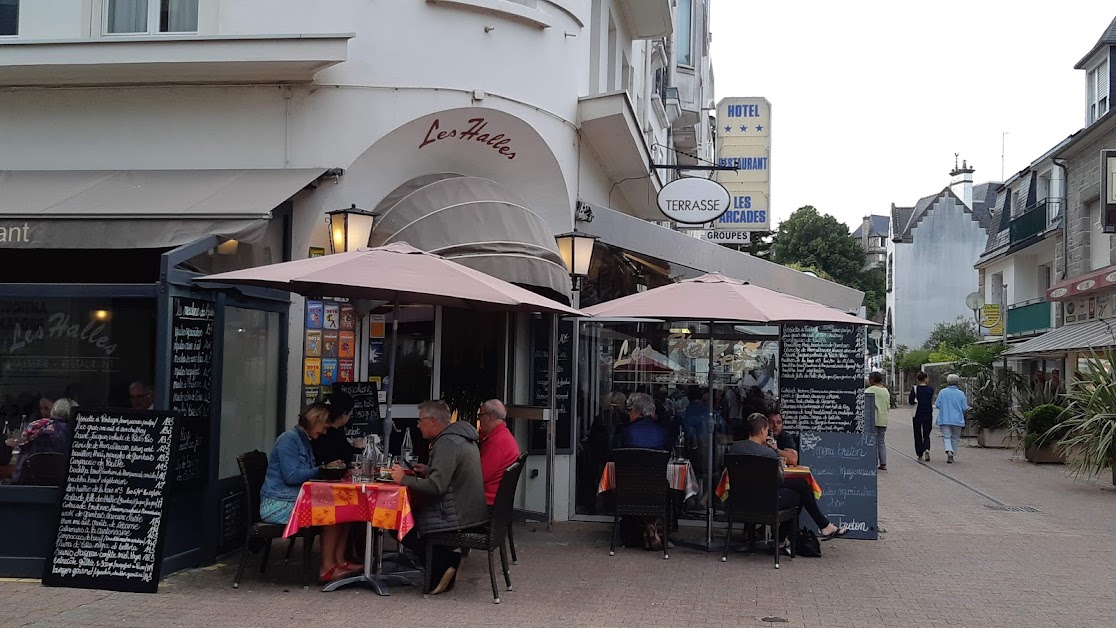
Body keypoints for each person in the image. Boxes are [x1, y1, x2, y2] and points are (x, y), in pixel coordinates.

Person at [391, 400, 487, 595]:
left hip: (456, 517)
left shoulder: (446, 444)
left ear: (433, 420)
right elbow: (451, 475)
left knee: (397, 521)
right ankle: (441, 563)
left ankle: (441, 561)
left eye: (420, 421)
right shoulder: (460, 437)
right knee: (407, 516)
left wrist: (403, 479)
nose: (418, 425)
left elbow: (436, 487)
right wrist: (429, 470)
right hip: (469, 511)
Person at [260, 403, 357, 583]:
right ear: (316, 420)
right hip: (277, 505)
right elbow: (292, 476)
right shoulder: (288, 440)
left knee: (346, 510)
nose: (325, 432)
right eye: (325, 427)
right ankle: (327, 568)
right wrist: (322, 469)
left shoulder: (303, 440)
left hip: (292, 500)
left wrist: (326, 470)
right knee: (332, 512)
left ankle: (339, 562)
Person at [730, 413, 847, 547]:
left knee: (801, 486)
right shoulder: (768, 454)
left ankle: (782, 538)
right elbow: (778, 480)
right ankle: (782, 539)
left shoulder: (735, 448)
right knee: (800, 494)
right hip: (766, 503)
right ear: (762, 430)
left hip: (740, 501)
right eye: (767, 429)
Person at [12, 398, 78, 485]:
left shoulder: (36, 425)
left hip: (29, 480)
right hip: (62, 483)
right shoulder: (75, 431)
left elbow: (23, 446)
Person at [477, 399, 519, 507]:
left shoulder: (496, 442)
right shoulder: (503, 435)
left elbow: (479, 476)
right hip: (497, 500)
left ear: (491, 417)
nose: (479, 419)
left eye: (480, 415)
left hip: (486, 500)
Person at [311, 391, 366, 467]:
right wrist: (358, 447)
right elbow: (349, 456)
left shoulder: (324, 432)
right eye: (350, 414)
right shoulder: (334, 434)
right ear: (344, 414)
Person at [935, 374, 970, 464]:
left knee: (946, 437)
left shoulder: (942, 392)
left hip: (944, 418)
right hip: (957, 419)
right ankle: (952, 454)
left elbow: (938, 404)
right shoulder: (961, 393)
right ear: (957, 382)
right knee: (955, 438)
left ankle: (948, 450)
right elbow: (964, 407)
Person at [866, 372, 890, 470]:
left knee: (873, 442)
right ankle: (883, 463)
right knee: (881, 442)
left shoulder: (869, 390)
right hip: (883, 419)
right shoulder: (886, 391)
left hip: (873, 419)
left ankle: (873, 462)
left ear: (872, 379)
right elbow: (888, 406)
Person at [909, 371, 935, 461]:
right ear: (925, 379)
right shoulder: (930, 389)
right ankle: (927, 448)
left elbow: (911, 401)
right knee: (926, 433)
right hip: (928, 413)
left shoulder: (915, 389)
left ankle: (919, 453)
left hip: (917, 413)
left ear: (918, 379)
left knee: (917, 433)